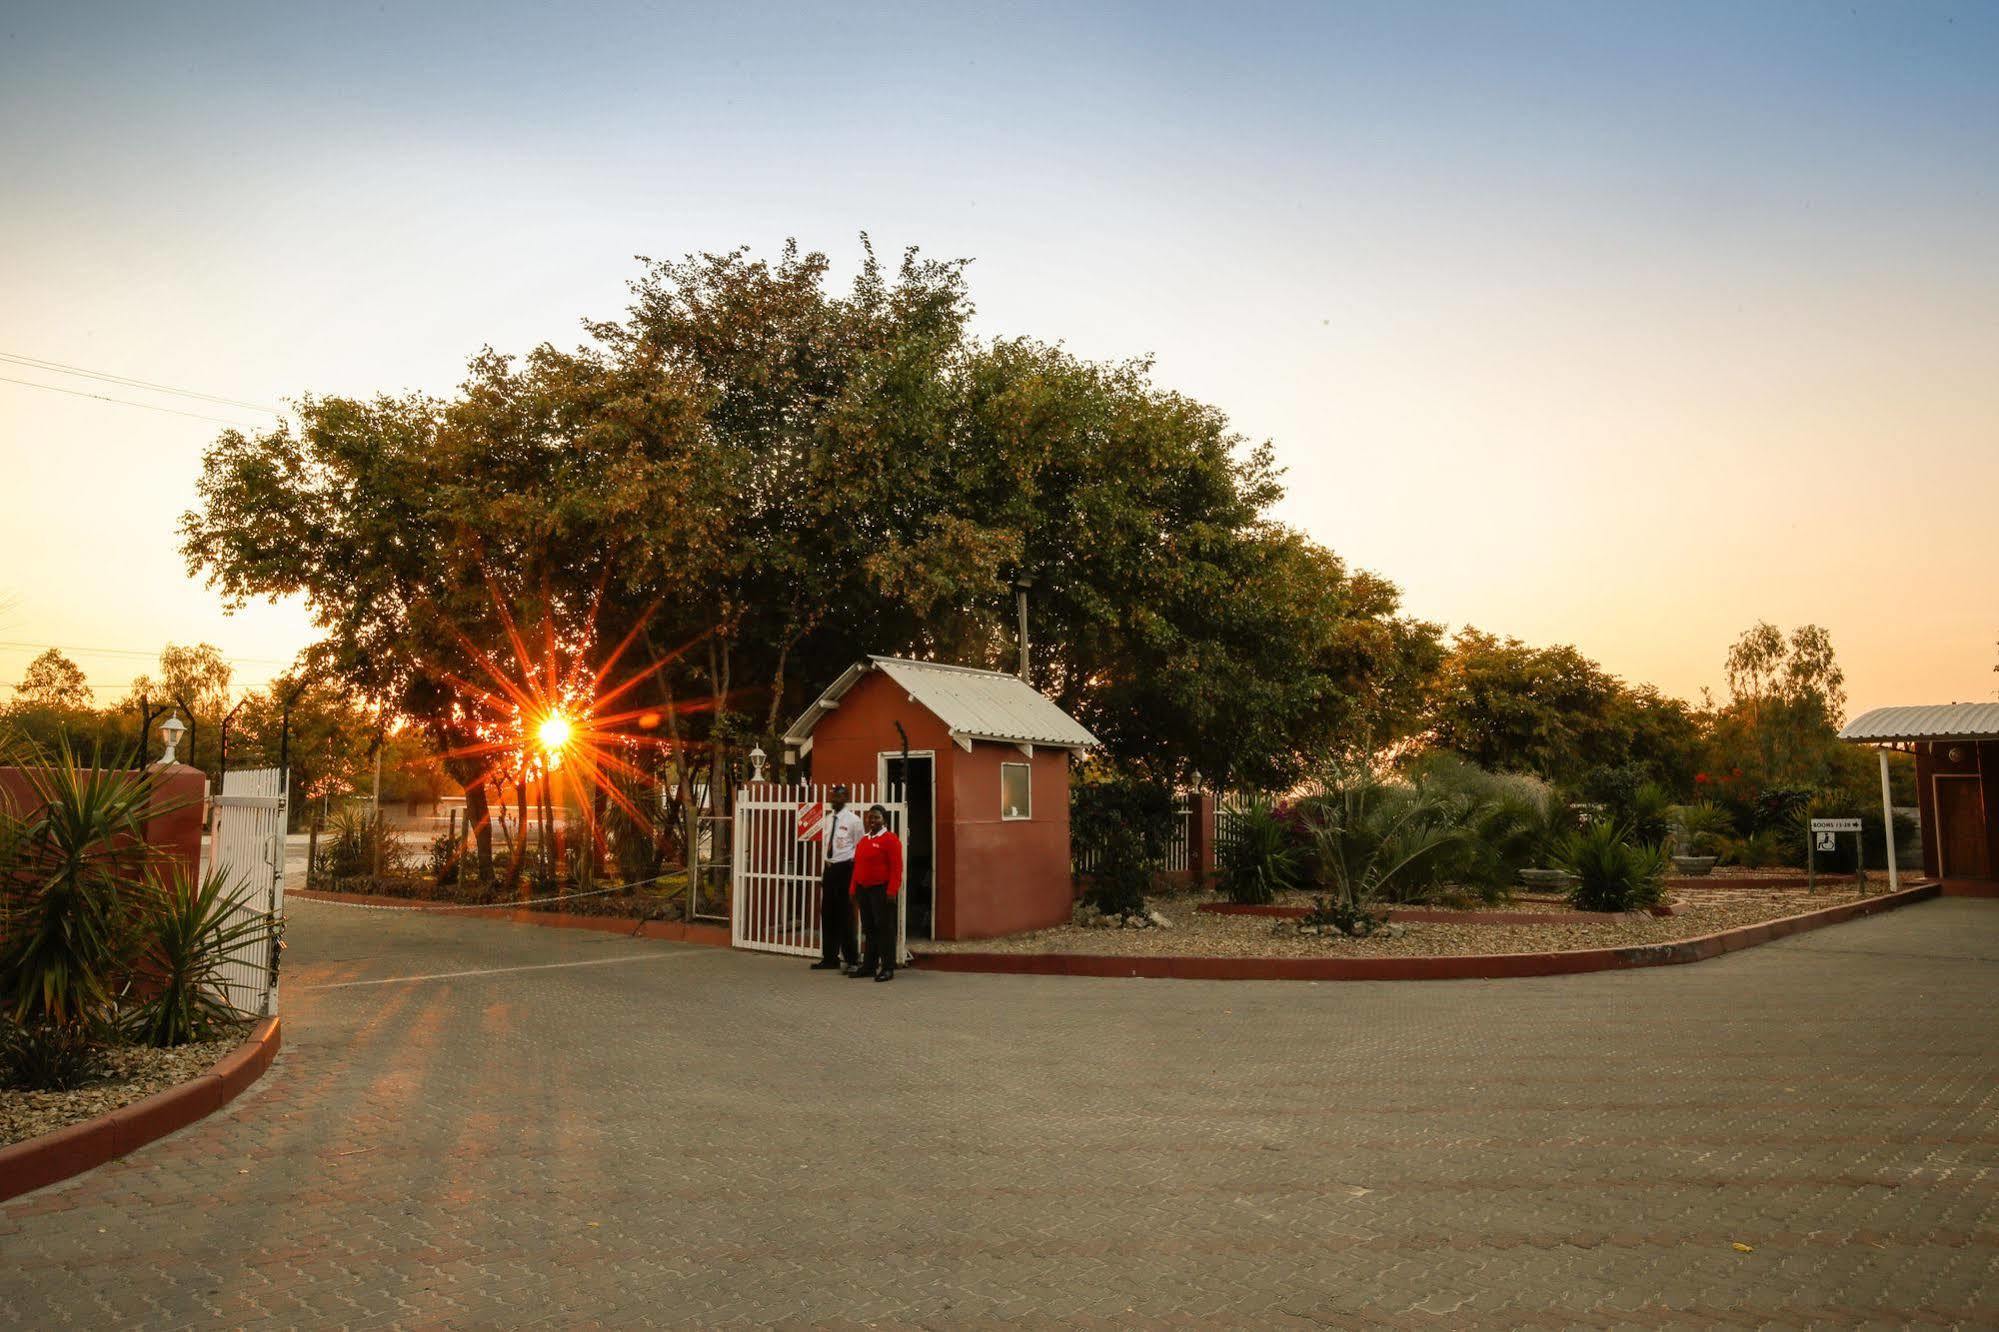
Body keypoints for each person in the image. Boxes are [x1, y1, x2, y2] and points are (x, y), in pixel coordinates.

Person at [810, 785, 865, 972]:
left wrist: (853, 873)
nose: (835, 799)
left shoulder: (854, 821)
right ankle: (830, 958)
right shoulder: (827, 819)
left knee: (845, 915)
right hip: (830, 869)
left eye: (839, 796)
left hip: (845, 869)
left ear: (846, 798)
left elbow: (860, 847)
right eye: (833, 796)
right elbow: (826, 847)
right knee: (828, 914)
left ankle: (851, 959)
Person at [848, 804, 903, 982]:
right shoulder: (864, 840)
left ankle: (887, 967)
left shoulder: (890, 839)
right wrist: (853, 888)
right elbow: (857, 866)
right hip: (864, 890)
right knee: (869, 929)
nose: (872, 820)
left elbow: (897, 868)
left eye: (876, 817)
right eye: (870, 817)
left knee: (885, 929)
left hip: (882, 890)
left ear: (884, 820)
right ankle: (869, 966)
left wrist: (892, 890)